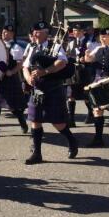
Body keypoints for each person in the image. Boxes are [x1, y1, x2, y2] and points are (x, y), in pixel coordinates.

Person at [23, 21, 78, 165]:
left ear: (47, 33)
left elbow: (62, 62)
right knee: (35, 120)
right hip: (37, 89)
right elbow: (25, 66)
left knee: (57, 123)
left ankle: (72, 141)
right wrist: (28, 78)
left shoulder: (55, 46)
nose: (36, 34)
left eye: (39, 32)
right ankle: (37, 153)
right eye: (35, 31)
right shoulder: (32, 47)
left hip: (53, 88)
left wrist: (44, 72)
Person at [0, 24, 28, 137]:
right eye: (3, 32)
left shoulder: (15, 47)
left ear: (12, 34)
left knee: (13, 106)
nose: (4, 34)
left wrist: (11, 72)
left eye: (6, 32)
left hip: (10, 80)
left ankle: (22, 121)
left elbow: (20, 63)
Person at [64, 23, 92, 127]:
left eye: (78, 31)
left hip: (84, 71)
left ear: (83, 31)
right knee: (70, 95)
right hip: (73, 71)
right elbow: (67, 55)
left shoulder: (88, 42)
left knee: (86, 95)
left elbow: (92, 56)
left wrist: (85, 59)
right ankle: (71, 119)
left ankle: (90, 113)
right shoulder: (71, 43)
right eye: (74, 31)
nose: (76, 32)